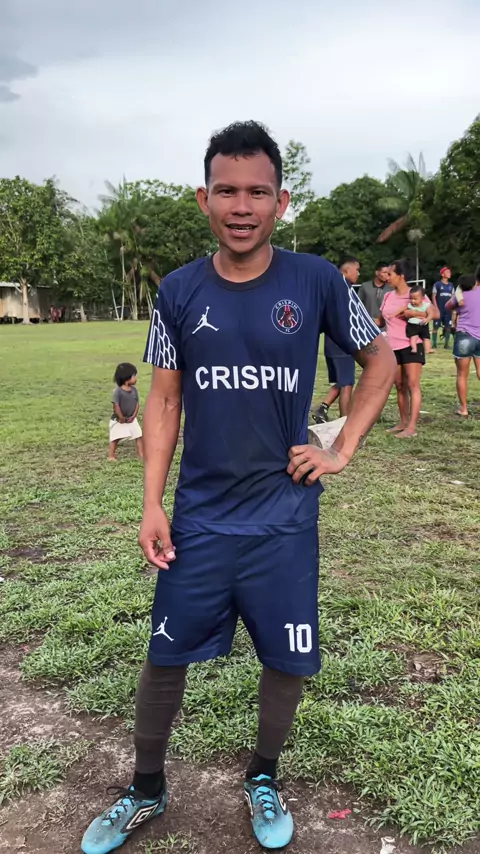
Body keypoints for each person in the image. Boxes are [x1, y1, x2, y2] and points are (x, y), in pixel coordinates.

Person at [81, 121, 396, 854]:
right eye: (227, 191)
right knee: (165, 656)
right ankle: (146, 788)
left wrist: (341, 447)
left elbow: (379, 361)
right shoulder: (179, 290)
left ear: (281, 202)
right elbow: (164, 400)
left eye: (258, 192)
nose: (242, 206)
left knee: (286, 660)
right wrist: (152, 502)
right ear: (205, 199)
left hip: (284, 517)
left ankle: (263, 775)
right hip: (200, 518)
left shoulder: (316, 280)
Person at [380, 259, 434, 438]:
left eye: (390, 274)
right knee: (399, 385)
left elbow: (434, 313)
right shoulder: (387, 296)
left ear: (401, 276)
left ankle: (411, 427)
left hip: (411, 344)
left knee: (412, 384)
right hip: (392, 346)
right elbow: (380, 320)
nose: (386, 277)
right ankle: (403, 422)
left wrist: (415, 313)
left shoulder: (415, 294)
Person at [312, 255, 360, 424]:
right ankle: (345, 422)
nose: (358, 273)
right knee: (347, 384)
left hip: (330, 345)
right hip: (341, 344)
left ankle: (322, 408)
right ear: (346, 270)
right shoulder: (343, 289)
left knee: (341, 381)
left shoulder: (329, 287)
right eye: (357, 270)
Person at [445, 272, 480, 417]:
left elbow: (448, 306)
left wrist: (458, 294)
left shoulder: (460, 296)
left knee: (461, 374)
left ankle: (463, 409)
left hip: (464, 335)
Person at [108, 363, 143, 462]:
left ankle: (141, 454)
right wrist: (121, 417)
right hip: (119, 420)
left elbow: (137, 403)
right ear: (126, 378)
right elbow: (116, 406)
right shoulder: (118, 392)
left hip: (131, 419)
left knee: (138, 436)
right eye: (134, 376)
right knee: (115, 438)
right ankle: (111, 456)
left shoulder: (134, 390)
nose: (135, 378)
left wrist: (134, 416)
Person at [431, 266, 455, 350]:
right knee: (435, 327)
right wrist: (435, 307)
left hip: (447, 310)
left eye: (449, 272)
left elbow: (452, 297)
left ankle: (446, 345)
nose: (449, 273)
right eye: (447, 272)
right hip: (439, 309)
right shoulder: (437, 284)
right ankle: (434, 344)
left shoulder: (451, 285)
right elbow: (433, 296)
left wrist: (452, 308)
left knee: (448, 327)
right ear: (442, 274)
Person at [403, 285, 431, 354]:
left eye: (415, 299)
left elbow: (431, 314)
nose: (413, 301)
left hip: (423, 324)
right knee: (413, 337)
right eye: (411, 298)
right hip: (412, 324)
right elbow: (404, 312)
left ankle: (428, 349)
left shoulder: (426, 305)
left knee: (426, 338)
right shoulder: (409, 305)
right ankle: (414, 348)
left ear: (422, 298)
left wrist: (427, 319)